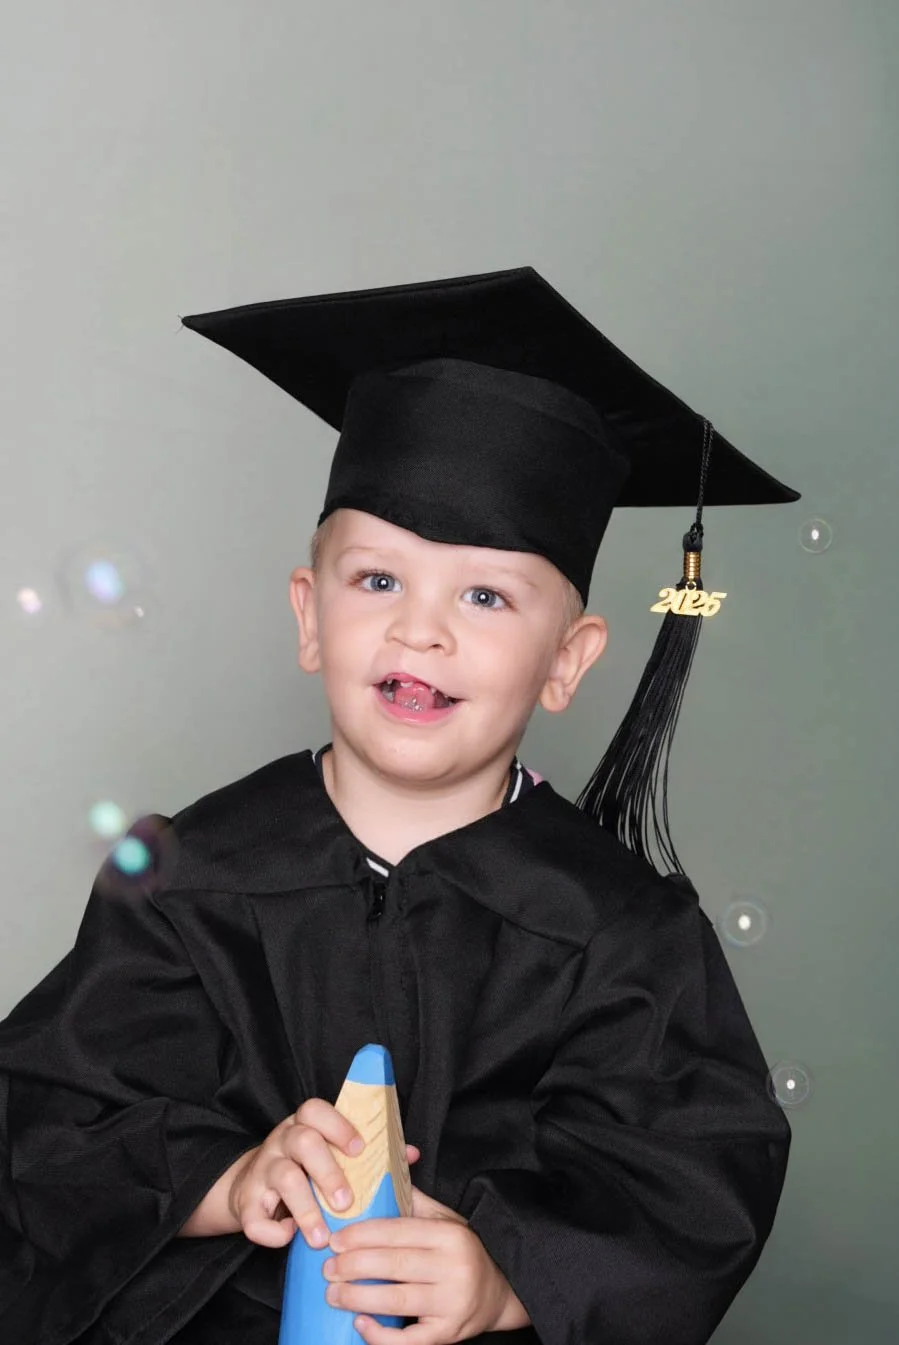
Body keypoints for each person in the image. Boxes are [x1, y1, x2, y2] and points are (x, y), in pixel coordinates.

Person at [0, 267, 797, 1345]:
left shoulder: (617, 932)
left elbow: (685, 1184)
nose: (420, 631)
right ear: (309, 615)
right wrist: (230, 1181)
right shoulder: (195, 874)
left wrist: (504, 1278)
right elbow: (55, 1119)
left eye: (483, 595)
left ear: (567, 661)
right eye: (377, 581)